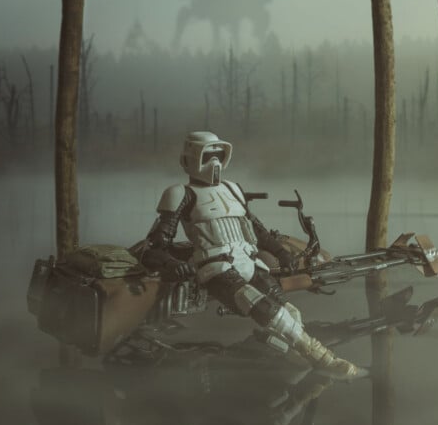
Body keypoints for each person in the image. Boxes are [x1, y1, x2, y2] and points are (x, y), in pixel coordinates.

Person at [137, 131, 362, 379]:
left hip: (250, 262)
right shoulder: (181, 193)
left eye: (218, 155)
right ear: (189, 160)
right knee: (271, 313)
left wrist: (280, 252)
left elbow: (258, 230)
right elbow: (155, 246)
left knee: (292, 314)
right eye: (208, 155)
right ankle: (324, 358)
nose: (214, 163)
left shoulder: (233, 189)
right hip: (216, 269)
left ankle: (288, 363)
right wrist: (172, 263)